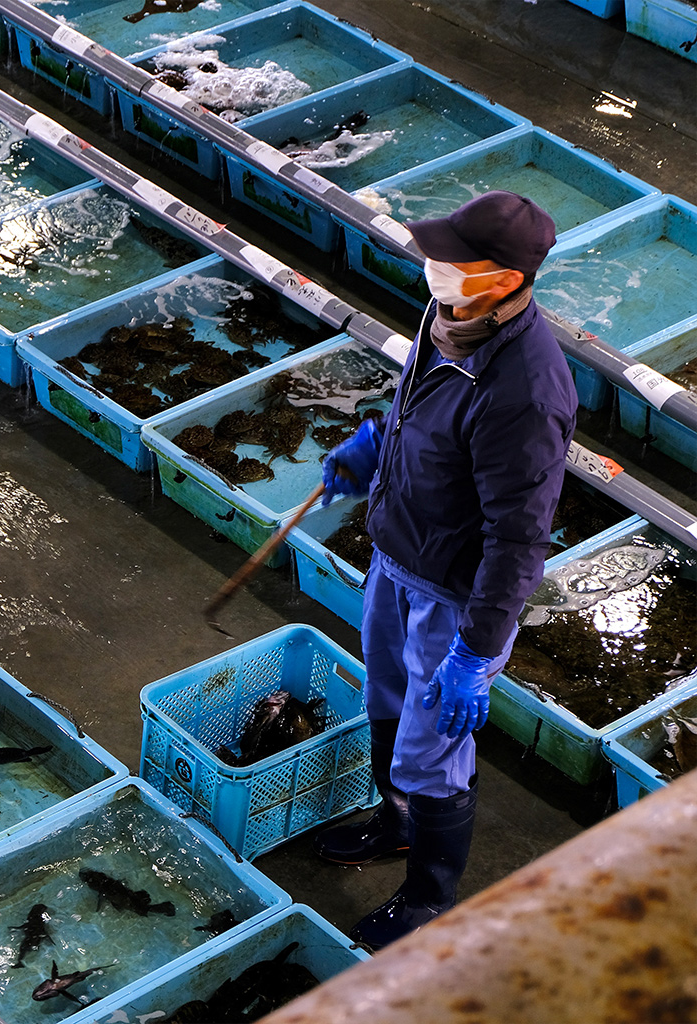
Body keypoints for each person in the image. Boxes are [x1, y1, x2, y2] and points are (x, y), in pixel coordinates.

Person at [313, 191, 577, 949]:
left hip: (457, 600)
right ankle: (395, 824)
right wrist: (376, 446)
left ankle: (430, 898)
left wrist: (474, 651)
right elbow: (418, 405)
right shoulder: (447, 320)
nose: (436, 271)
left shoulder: (527, 391)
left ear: (501, 282)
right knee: (386, 695)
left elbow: (520, 538)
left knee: (434, 750)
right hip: (398, 558)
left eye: (453, 261)